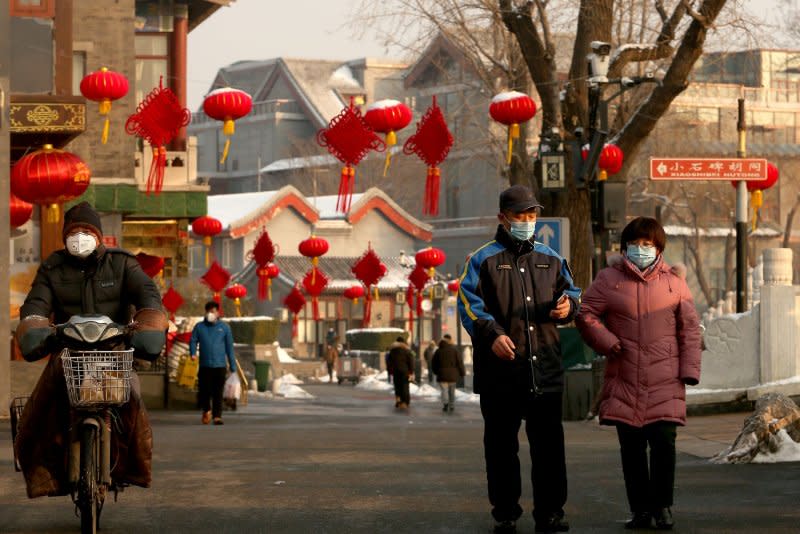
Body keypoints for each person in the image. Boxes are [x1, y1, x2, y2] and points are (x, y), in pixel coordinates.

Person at [14, 201, 167, 498]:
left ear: (98, 235)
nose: (80, 236)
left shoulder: (123, 263)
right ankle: (44, 474)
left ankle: (135, 469)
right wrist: (34, 323)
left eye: (86, 231)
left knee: (134, 405)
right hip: (68, 352)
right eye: (74, 231)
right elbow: (36, 303)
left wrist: (149, 317)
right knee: (38, 410)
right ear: (64, 236)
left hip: (114, 351)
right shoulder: (52, 267)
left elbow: (147, 292)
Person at [458, 185, 581, 533]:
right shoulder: (482, 260)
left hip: (545, 369)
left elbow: (573, 292)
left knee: (549, 450)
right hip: (500, 374)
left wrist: (568, 305)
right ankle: (506, 512)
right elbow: (468, 305)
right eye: (520, 215)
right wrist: (492, 335)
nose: (527, 221)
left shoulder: (551, 258)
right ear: (503, 217)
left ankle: (551, 512)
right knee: (500, 449)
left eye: (532, 215)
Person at [575, 217, 701, 531]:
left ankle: (663, 507)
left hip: (666, 379)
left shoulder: (675, 282)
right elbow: (585, 313)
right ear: (625, 246)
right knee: (631, 450)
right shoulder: (608, 279)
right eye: (635, 243)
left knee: (664, 446)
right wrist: (607, 341)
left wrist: (688, 370)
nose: (641, 249)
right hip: (624, 376)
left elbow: (690, 331)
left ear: (658, 248)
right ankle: (641, 510)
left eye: (648, 244)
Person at [190, 301, 237, 425]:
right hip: (205, 365)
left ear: (218, 313)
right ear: (205, 312)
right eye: (209, 311)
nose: (211, 314)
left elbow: (229, 348)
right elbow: (193, 340)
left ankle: (217, 416)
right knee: (205, 391)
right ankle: (207, 410)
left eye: (213, 311)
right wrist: (193, 353)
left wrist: (233, 366)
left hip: (220, 365)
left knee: (218, 392)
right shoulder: (199, 327)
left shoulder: (224, 328)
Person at [431, 333, 465, 412]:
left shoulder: (438, 351)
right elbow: (459, 362)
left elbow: (434, 363)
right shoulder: (454, 350)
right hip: (453, 374)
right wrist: (462, 372)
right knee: (452, 391)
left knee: (444, 390)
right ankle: (452, 405)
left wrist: (436, 371)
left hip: (442, 374)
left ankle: (445, 404)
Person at [386, 336, 414, 409]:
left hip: (396, 371)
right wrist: (411, 371)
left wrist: (390, 371)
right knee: (405, 386)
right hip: (405, 371)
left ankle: (398, 401)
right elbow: (411, 362)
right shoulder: (407, 351)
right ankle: (405, 402)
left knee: (397, 386)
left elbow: (389, 362)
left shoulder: (392, 351)